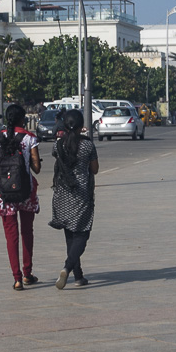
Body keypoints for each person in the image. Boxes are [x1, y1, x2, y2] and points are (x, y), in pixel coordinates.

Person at [0, 104, 42, 291]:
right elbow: (36, 168)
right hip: (25, 191)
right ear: (23, 119)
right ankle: (27, 273)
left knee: (11, 236)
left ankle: (17, 278)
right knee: (27, 232)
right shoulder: (30, 139)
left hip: (4, 194)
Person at [50, 109, 98, 288]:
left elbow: (57, 157)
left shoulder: (58, 145)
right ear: (81, 126)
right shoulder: (87, 146)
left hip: (62, 193)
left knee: (70, 235)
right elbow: (94, 169)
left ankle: (79, 276)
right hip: (81, 193)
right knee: (82, 234)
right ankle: (67, 268)